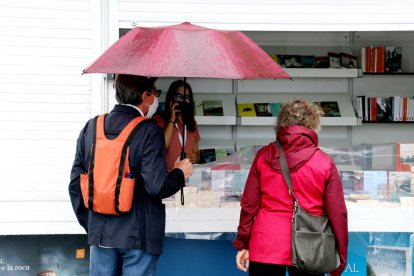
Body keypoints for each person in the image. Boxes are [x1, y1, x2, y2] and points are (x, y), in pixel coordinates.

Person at [69, 74, 194, 276]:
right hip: (139, 237)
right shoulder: (149, 130)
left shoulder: (91, 127)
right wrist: (180, 173)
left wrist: (93, 225)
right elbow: (157, 187)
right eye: (156, 93)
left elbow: (75, 185)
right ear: (145, 96)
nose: (156, 99)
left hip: (100, 235)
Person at [233, 99, 348, 276]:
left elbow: (249, 205)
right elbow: (337, 212)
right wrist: (340, 256)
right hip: (311, 245)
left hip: (266, 244)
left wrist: (244, 243)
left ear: (281, 124)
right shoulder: (324, 162)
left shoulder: (263, 156)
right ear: (313, 124)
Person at [153, 80, 201, 171]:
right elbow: (162, 146)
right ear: (171, 98)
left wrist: (195, 157)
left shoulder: (191, 122)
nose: (183, 100)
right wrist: (172, 119)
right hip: (166, 174)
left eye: (187, 97)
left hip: (187, 175)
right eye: (179, 97)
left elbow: (196, 153)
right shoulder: (159, 119)